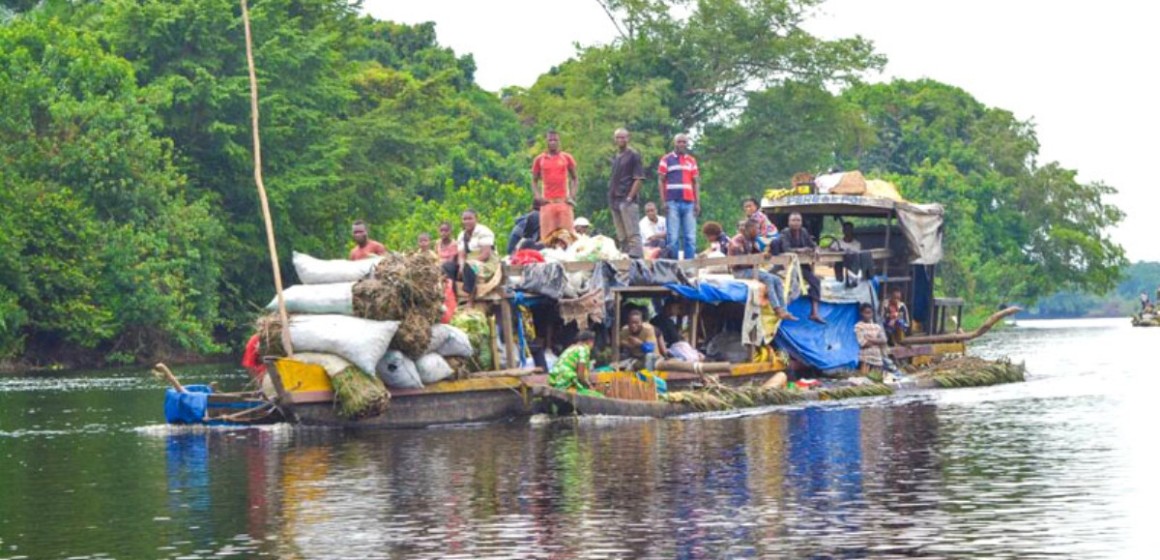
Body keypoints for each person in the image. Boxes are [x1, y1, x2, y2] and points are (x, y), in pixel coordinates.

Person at [729, 218, 795, 320]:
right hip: (739, 272)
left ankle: (784, 310)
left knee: (776, 279)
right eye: (757, 229)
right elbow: (739, 263)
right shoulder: (737, 241)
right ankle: (777, 309)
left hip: (750, 270)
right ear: (750, 229)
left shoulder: (752, 241)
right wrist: (756, 259)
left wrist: (763, 255)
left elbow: (757, 255)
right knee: (767, 277)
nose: (759, 231)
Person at [768, 212, 824, 323]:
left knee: (816, 281)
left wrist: (816, 249)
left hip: (802, 265)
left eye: (798, 220)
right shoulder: (785, 232)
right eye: (793, 220)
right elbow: (786, 249)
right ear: (789, 222)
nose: (796, 223)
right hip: (788, 265)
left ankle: (814, 312)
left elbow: (812, 244)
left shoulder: (803, 231)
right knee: (792, 286)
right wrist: (801, 250)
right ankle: (782, 310)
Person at [658, 133, 700, 259]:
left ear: (687, 144)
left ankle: (689, 267)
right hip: (672, 202)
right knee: (673, 237)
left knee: (690, 237)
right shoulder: (666, 159)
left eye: (684, 142)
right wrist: (663, 201)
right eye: (679, 142)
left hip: (689, 202)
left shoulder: (691, 160)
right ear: (674, 143)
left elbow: (696, 182)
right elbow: (660, 180)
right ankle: (674, 267)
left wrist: (697, 203)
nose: (681, 144)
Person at [531, 130, 579, 242]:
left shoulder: (566, 158)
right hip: (547, 203)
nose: (553, 142)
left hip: (563, 202)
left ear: (559, 142)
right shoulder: (540, 159)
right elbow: (534, 181)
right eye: (550, 140)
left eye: (555, 140)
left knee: (567, 236)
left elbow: (575, 178)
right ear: (546, 142)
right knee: (548, 237)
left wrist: (572, 196)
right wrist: (538, 196)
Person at [441, 209, 497, 304]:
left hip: (486, 264)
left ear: (476, 219)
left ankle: (471, 298)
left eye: (470, 218)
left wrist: (468, 264)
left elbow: (485, 255)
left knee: (470, 265)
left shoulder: (483, 231)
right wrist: (461, 266)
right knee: (447, 266)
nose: (467, 221)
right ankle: (453, 296)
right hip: (468, 263)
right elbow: (461, 255)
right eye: (464, 219)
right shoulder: (461, 235)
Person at [608, 128, 644, 258]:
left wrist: (629, 197)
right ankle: (625, 261)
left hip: (627, 199)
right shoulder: (617, 156)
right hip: (615, 199)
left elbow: (639, 178)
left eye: (623, 137)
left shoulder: (633, 155)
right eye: (618, 137)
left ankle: (638, 262)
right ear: (614, 140)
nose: (620, 140)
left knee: (632, 234)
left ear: (628, 138)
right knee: (621, 236)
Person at [549, 330, 601, 396]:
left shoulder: (571, 347)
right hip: (566, 379)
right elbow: (580, 375)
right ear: (589, 341)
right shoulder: (584, 349)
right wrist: (589, 386)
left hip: (554, 379)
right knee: (597, 396)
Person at [855, 302, 889, 374]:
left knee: (877, 381)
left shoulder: (877, 327)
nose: (868, 315)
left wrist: (870, 339)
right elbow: (863, 343)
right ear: (861, 313)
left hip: (877, 359)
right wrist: (878, 341)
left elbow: (884, 340)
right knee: (865, 380)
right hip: (865, 359)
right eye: (866, 313)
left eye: (870, 313)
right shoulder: (858, 326)